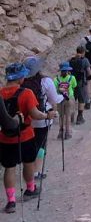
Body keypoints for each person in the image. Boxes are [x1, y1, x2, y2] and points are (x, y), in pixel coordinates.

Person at [1, 62, 57, 213]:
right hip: (25, 134)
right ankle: (30, 189)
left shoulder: (0, 93)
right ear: (20, 77)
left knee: (9, 168)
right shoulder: (26, 93)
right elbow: (35, 115)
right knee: (28, 163)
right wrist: (48, 115)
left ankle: (11, 201)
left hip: (5, 137)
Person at [21, 57, 63, 180]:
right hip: (42, 117)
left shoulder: (21, 82)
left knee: (30, 144)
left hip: (27, 118)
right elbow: (53, 100)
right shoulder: (45, 81)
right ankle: (36, 171)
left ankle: (29, 169)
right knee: (41, 145)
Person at [53, 62, 77, 140]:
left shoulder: (56, 79)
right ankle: (67, 132)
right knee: (68, 116)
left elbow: (55, 89)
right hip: (69, 97)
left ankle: (60, 132)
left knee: (61, 116)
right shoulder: (72, 78)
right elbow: (74, 86)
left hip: (60, 98)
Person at [69, 47, 91, 125]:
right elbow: (89, 72)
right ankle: (79, 117)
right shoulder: (85, 60)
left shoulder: (71, 60)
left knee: (72, 99)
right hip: (81, 82)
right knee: (81, 100)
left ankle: (71, 116)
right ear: (83, 52)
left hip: (72, 82)